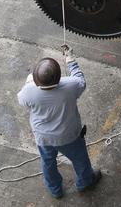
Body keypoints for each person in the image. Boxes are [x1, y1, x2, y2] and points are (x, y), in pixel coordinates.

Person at [17, 51, 102, 199]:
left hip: (43, 137)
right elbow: (80, 80)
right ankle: (85, 182)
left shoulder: (29, 91)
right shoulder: (70, 85)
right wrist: (71, 60)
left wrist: (29, 83)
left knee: (48, 163)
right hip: (70, 136)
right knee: (80, 159)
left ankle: (55, 189)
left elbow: (22, 101)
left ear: (37, 81)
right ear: (59, 77)